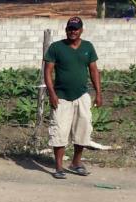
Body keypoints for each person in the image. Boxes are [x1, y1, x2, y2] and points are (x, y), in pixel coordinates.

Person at [44, 16, 102, 180]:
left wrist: (98, 93)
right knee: (59, 132)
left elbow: (94, 71)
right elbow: (47, 72)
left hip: (82, 95)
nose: (73, 31)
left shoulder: (88, 47)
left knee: (82, 130)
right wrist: (52, 94)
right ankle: (58, 167)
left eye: (76, 29)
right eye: (70, 28)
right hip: (61, 97)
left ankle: (76, 163)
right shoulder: (56, 48)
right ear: (66, 30)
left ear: (81, 30)